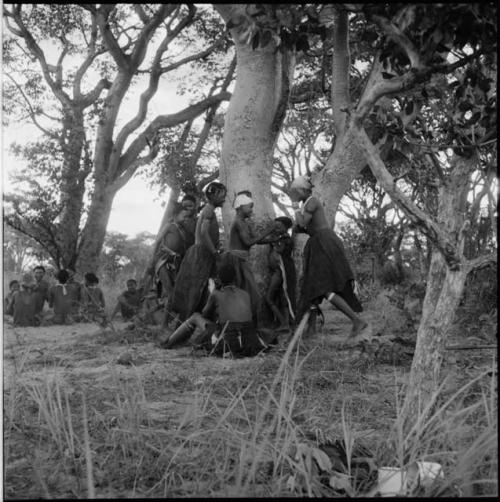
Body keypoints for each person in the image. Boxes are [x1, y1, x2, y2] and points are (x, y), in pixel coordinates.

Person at [289, 175, 368, 338]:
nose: (294, 195)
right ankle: (310, 330)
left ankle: (357, 321)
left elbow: (302, 223)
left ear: (304, 190)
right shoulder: (307, 203)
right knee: (311, 288)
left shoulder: (311, 201)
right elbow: (305, 227)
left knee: (324, 288)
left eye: (296, 192)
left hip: (324, 243)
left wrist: (295, 206)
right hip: (318, 243)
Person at [161, 263, 273, 357]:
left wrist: (212, 291)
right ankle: (171, 342)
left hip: (228, 340)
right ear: (235, 278)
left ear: (219, 279)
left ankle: (168, 343)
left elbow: (204, 313)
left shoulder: (216, 294)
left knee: (195, 317)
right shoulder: (245, 294)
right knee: (220, 326)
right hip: (248, 340)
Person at [167, 182, 227, 324]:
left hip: (203, 253)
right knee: (195, 289)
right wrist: (214, 252)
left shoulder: (208, 210)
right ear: (213, 195)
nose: (225, 198)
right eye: (222, 195)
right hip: (201, 253)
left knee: (199, 289)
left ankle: (190, 321)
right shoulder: (208, 210)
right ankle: (185, 322)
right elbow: (203, 232)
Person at [220, 190, 280, 324]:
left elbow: (256, 240)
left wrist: (272, 239)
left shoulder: (245, 222)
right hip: (235, 261)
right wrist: (268, 230)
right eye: (250, 206)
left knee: (248, 294)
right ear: (241, 207)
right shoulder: (238, 222)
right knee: (250, 294)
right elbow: (248, 242)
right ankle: (242, 324)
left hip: (241, 260)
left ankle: (247, 324)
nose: (252, 209)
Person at [153, 203, 190, 303]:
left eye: (188, 217)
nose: (186, 219)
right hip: (163, 260)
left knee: (178, 287)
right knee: (169, 288)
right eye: (184, 216)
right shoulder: (169, 226)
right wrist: (153, 260)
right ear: (175, 215)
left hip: (176, 263)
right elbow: (158, 242)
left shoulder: (183, 230)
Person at [265, 216, 297, 330]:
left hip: (282, 271)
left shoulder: (286, 239)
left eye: (278, 226)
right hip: (277, 272)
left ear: (285, 227)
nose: (275, 229)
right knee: (279, 297)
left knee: (283, 297)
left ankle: (286, 323)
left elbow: (279, 250)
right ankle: (284, 322)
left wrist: (272, 238)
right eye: (275, 227)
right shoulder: (278, 238)